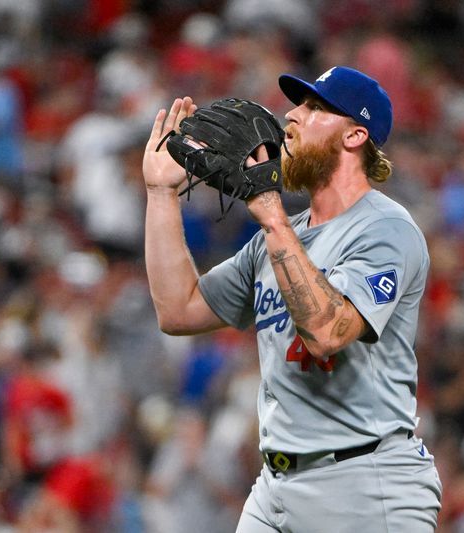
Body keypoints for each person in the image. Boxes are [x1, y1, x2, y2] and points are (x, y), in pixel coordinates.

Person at [141, 66, 442, 532]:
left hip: (364, 484)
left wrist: (270, 214)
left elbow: (327, 332)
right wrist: (161, 194)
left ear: (355, 135)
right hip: (275, 484)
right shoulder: (283, 234)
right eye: (298, 104)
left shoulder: (387, 229)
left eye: (315, 107)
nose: (292, 116)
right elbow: (179, 310)